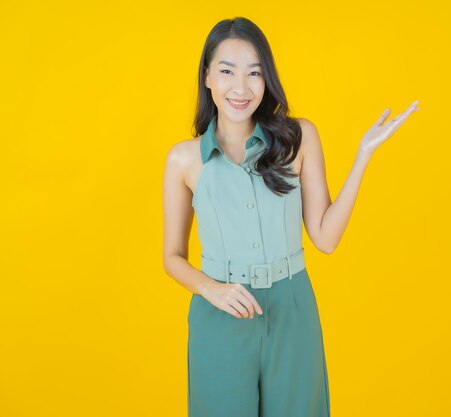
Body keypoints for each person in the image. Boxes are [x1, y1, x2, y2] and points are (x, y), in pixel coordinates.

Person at [162, 16, 420, 417]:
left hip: (292, 308)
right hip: (221, 315)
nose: (241, 87)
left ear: (267, 80)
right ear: (208, 77)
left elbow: (326, 239)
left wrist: (362, 157)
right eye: (227, 71)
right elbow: (172, 256)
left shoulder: (298, 139)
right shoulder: (183, 159)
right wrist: (211, 290)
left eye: (255, 73)